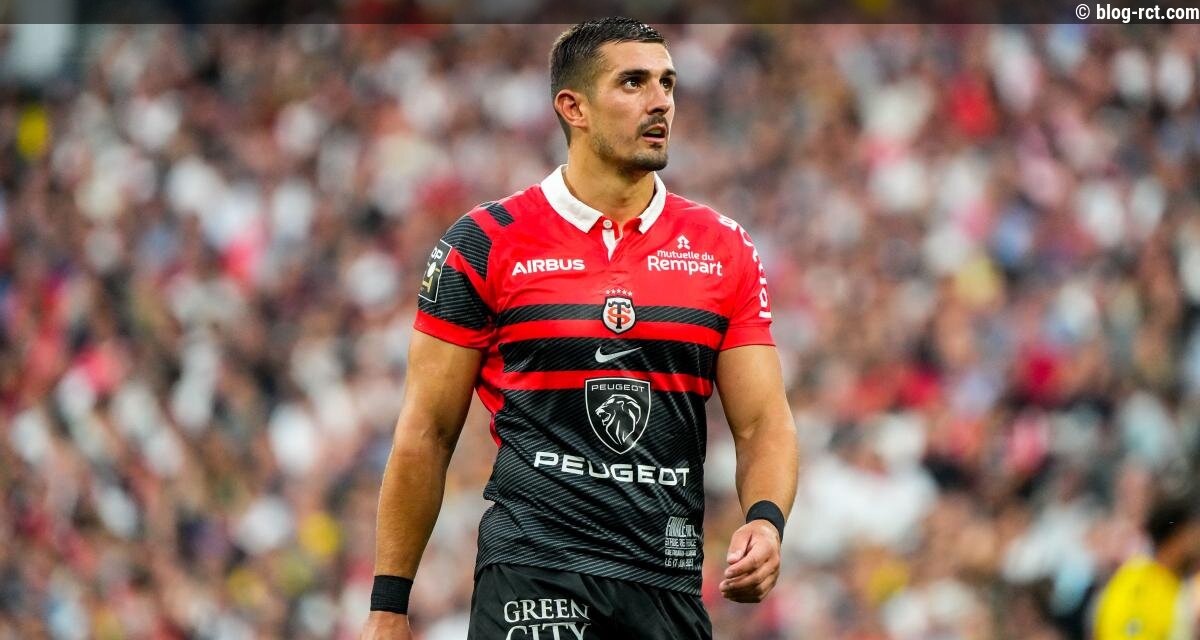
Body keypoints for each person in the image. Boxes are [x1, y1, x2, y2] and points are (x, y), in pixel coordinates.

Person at [360, 17, 799, 639]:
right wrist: (388, 605)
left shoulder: (722, 248)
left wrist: (765, 520)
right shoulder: (484, 242)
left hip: (667, 581)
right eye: (633, 82)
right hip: (533, 573)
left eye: (668, 83)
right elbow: (426, 432)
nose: (660, 101)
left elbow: (763, 422)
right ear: (574, 108)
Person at [1093, 492, 1200, 640]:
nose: (1197, 546)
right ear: (1176, 539)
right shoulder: (1138, 584)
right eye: (1194, 536)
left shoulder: (1182, 582)